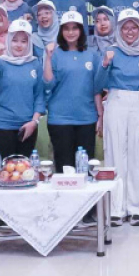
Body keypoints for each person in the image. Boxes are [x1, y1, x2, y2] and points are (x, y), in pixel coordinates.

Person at [98, 7, 139, 226]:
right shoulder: (111, 51)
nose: (130, 32)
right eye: (125, 28)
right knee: (115, 153)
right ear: (119, 30)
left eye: (134, 27)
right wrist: (105, 65)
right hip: (116, 101)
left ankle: (137, 208)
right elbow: (97, 84)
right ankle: (116, 209)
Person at [43, 10, 103, 170]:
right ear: (61, 31)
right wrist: (48, 58)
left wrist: (100, 115)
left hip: (86, 118)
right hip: (60, 119)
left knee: (85, 170)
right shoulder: (55, 54)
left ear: (81, 30)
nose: (70, 32)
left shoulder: (92, 55)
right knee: (65, 169)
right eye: (66, 28)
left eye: (74, 28)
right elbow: (48, 84)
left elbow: (96, 88)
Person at [0, 19, 45, 159]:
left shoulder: (35, 64)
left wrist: (34, 122)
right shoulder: (0, 62)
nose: (19, 45)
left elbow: (39, 96)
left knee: (24, 169)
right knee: (6, 169)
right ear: (8, 41)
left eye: (24, 41)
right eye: (15, 40)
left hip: (27, 127)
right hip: (1, 126)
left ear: (29, 43)